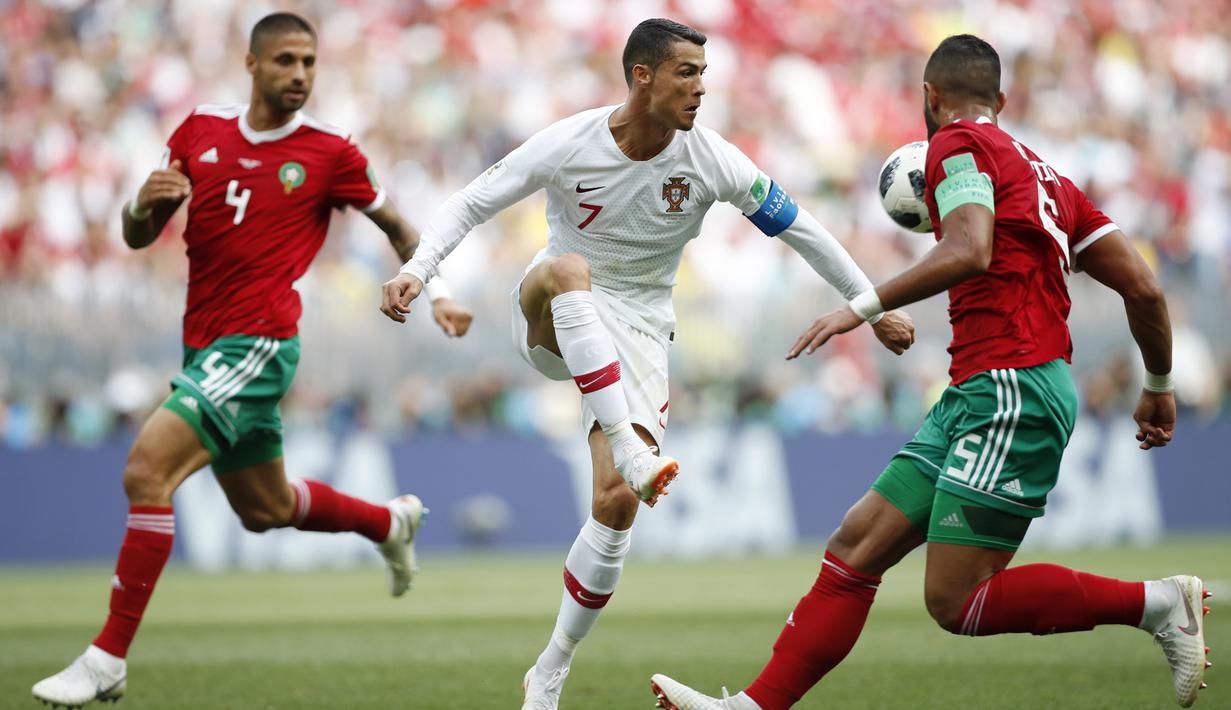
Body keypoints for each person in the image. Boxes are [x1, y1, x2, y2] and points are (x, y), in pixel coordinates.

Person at [649, 34, 1210, 710]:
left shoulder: (955, 145)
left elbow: (969, 248)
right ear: (999, 99)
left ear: (929, 97)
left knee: (955, 600)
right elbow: (1144, 290)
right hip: (985, 386)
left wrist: (861, 305)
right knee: (853, 548)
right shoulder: (1049, 179)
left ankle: (1157, 604)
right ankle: (750, 708)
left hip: (1012, 383)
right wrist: (1156, 386)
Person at [379, 18, 915, 709]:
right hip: (551, 307)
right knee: (566, 267)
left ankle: (548, 670)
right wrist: (420, 273)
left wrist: (869, 306)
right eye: (686, 73)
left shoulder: (712, 158)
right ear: (642, 77)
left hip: (636, 328)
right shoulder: (572, 141)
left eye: (703, 73)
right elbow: (472, 201)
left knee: (616, 505)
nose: (700, 87)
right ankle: (634, 452)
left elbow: (803, 230)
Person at [31, 12, 474, 708]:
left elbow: (397, 225)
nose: (299, 75)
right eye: (285, 61)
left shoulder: (330, 152)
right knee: (265, 508)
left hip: (260, 342)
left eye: (309, 63)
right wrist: (139, 208)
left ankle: (106, 658)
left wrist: (437, 290)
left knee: (146, 470)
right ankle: (389, 523)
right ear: (252, 64)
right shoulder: (199, 130)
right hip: (204, 342)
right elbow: (139, 233)